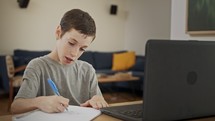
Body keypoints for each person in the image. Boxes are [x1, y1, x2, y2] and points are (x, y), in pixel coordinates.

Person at [11, 9, 109, 114]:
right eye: (71, 43)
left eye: (82, 49)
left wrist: (99, 102)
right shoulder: (37, 66)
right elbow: (15, 107)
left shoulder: (88, 70)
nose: (75, 54)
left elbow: (99, 103)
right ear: (58, 32)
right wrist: (39, 102)